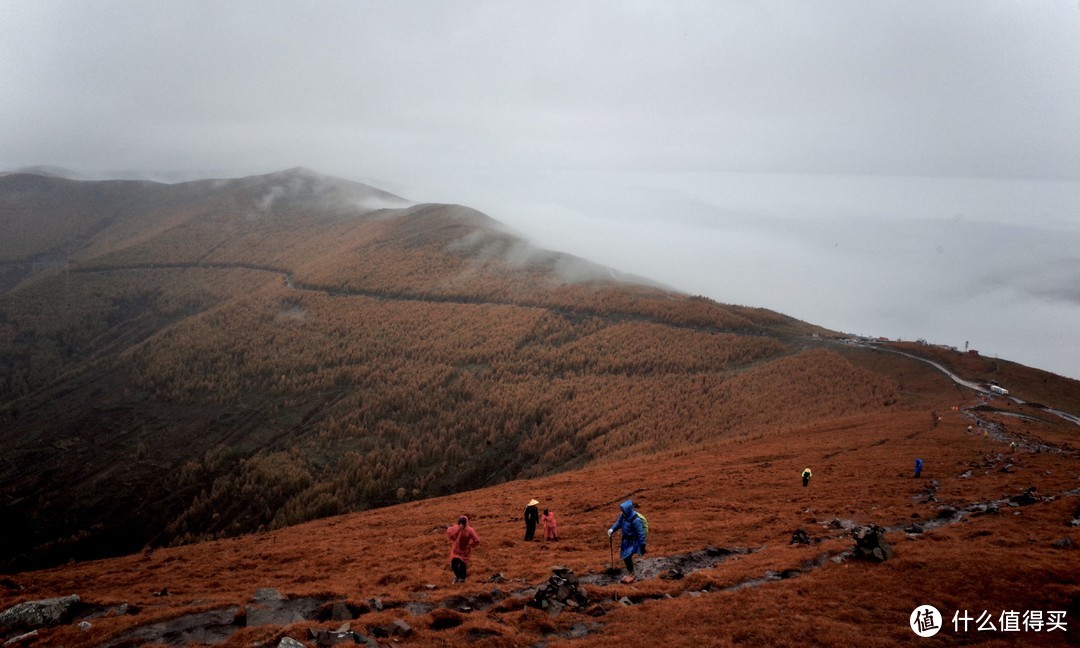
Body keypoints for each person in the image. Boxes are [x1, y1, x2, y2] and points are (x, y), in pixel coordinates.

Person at [608, 500, 646, 584]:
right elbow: (618, 523)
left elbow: (641, 533)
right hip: (625, 541)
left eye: (623, 510)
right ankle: (630, 573)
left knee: (627, 557)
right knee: (625, 557)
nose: (622, 512)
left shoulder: (636, 520)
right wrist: (612, 529)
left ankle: (632, 574)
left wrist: (642, 545)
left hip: (632, 541)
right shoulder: (624, 516)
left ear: (627, 510)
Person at [446, 515, 480, 584]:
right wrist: (452, 539)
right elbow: (449, 531)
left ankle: (462, 579)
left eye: (462, 524)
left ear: (465, 524)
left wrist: (470, 545)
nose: (461, 526)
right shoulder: (456, 528)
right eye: (460, 524)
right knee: (453, 565)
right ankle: (457, 576)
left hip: (464, 551)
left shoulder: (470, 530)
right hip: (455, 550)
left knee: (462, 565)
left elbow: (477, 540)